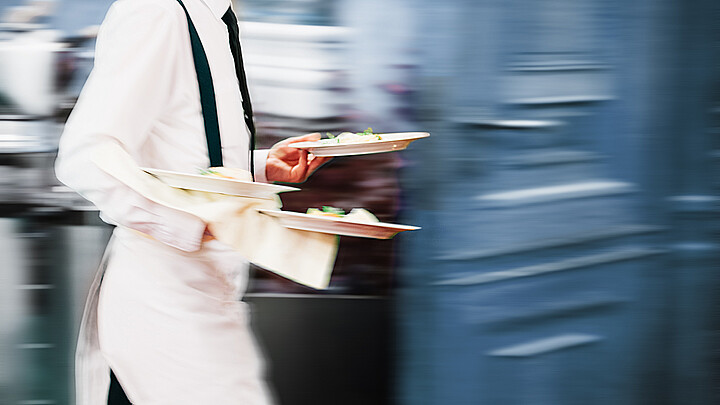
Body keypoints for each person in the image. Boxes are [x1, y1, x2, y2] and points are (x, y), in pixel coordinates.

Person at [55, 0, 330, 403]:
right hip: (162, 303)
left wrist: (259, 168)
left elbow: (182, 149)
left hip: (205, 297)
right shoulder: (155, 12)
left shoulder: (213, 18)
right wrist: (190, 223)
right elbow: (86, 156)